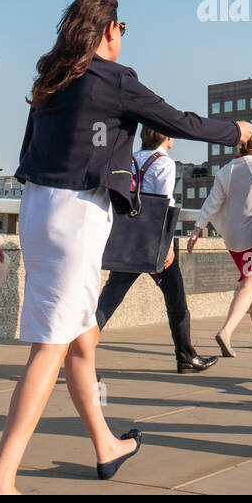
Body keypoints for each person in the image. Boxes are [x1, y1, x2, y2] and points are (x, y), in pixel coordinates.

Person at [0, 0, 249, 494]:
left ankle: (106, 444)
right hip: (77, 215)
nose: (123, 36)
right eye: (122, 28)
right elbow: (178, 122)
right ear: (109, 30)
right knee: (50, 348)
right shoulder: (115, 79)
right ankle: (1, 481)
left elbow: (27, 150)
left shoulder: (52, 77)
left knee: (81, 339)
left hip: (37, 209)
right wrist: (235, 130)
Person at [97, 129, 219, 374]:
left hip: (128, 239)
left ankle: (75, 351)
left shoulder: (129, 160)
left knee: (109, 298)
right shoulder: (164, 163)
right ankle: (185, 356)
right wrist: (167, 245)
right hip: (153, 240)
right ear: (167, 138)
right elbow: (162, 204)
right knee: (176, 299)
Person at [192, 132, 252, 355]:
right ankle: (226, 331)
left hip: (233, 238)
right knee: (251, 283)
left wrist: (198, 228)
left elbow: (212, 202)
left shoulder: (226, 171)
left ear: (239, 149)